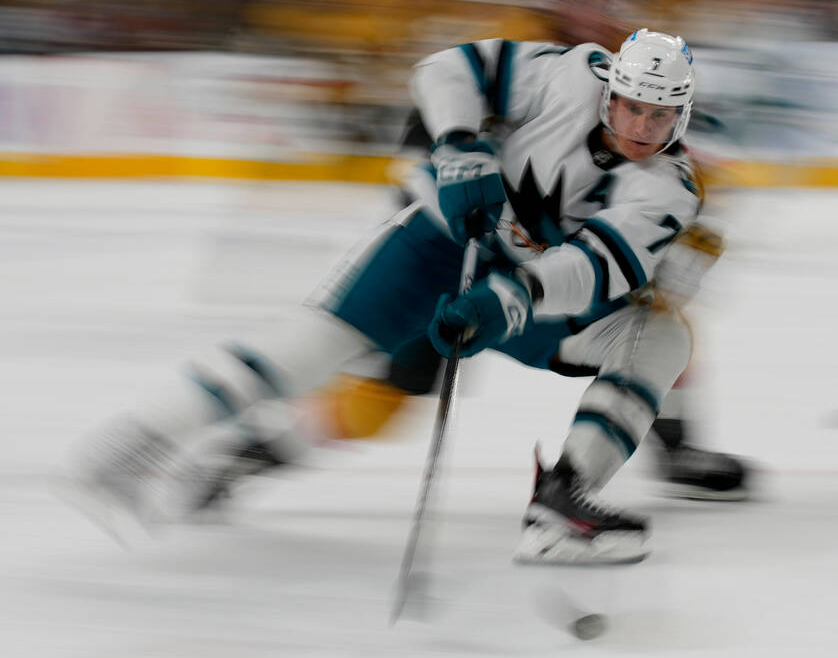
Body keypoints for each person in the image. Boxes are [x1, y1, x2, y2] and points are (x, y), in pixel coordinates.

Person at [70, 29, 714, 564]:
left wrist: (510, 299)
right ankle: (143, 439)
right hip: (439, 243)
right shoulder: (574, 71)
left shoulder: (671, 188)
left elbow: (597, 267)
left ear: (681, 116)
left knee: (663, 334)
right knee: (314, 353)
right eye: (633, 106)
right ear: (611, 92)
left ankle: (563, 501)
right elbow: (446, 68)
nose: (641, 125)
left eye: (660, 115)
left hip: (526, 295)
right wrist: (457, 144)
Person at [284, 0, 749, 506]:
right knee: (382, 399)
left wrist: (691, 215)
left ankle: (673, 446)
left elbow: (660, 158)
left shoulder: (627, 65)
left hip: (547, 267)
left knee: (656, 321)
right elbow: (422, 150)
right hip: (462, 253)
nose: (594, 7)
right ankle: (261, 449)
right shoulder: (521, 53)